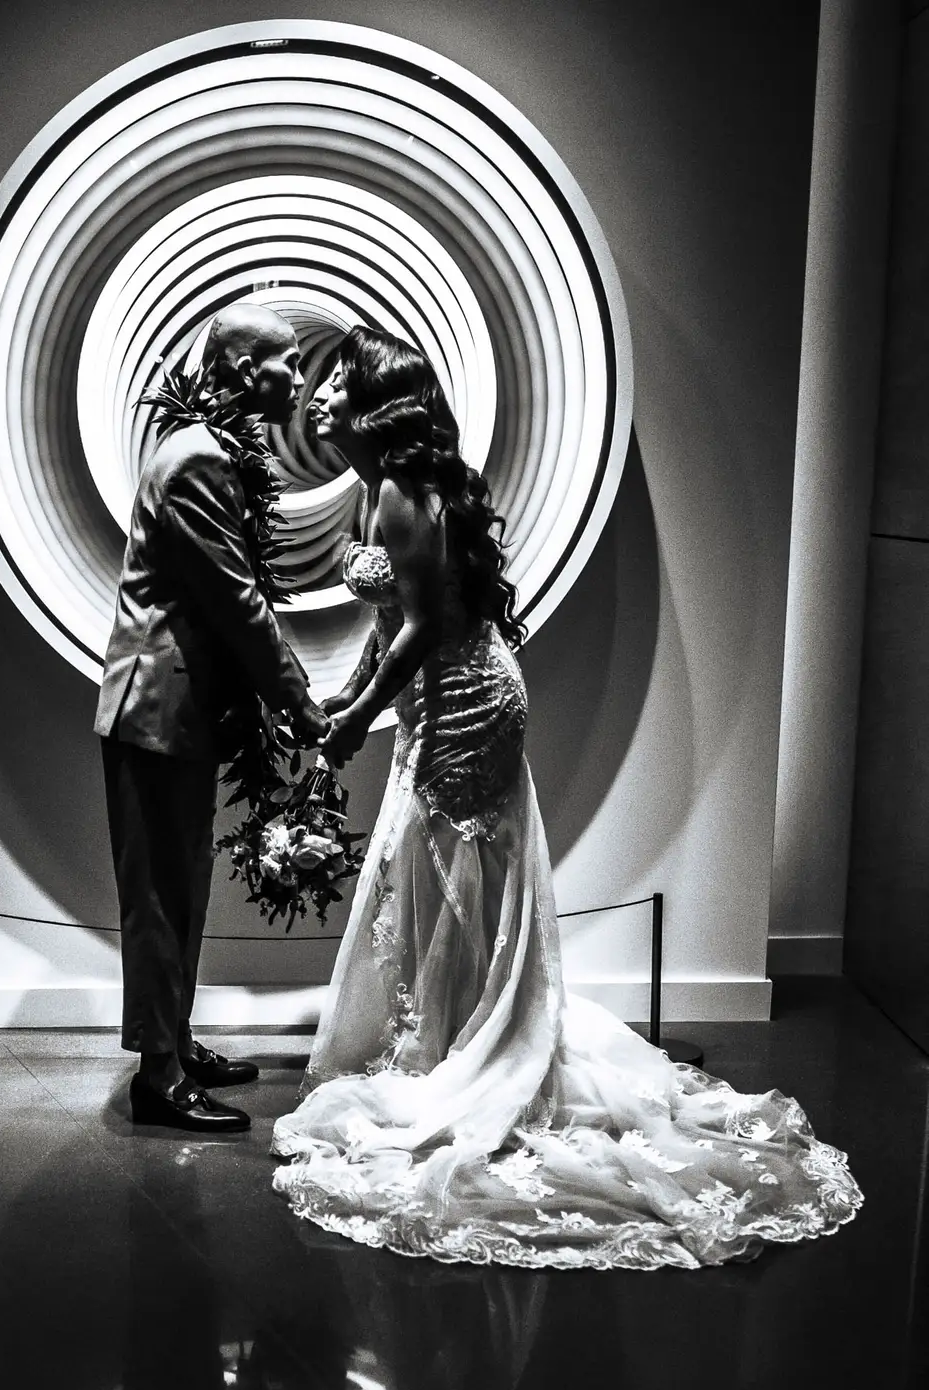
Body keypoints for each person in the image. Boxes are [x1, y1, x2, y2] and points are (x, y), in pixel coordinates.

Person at [271, 326, 862, 1268]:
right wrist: (351, 697)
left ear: (378, 406)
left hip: (466, 706)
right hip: (446, 697)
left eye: (340, 379)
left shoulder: (397, 493)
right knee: (428, 866)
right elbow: (400, 622)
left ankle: (467, 1053)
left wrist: (353, 721)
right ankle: (454, 1039)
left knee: (444, 863)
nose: (321, 391)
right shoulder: (386, 488)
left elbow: (421, 627)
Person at [96, 303, 329, 1134]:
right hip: (155, 712)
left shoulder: (206, 450)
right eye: (288, 362)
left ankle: (173, 1043)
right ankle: (159, 1079)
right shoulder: (197, 458)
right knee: (160, 896)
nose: (299, 379)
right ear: (239, 370)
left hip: (172, 711)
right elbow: (234, 600)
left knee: (180, 888)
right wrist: (299, 701)